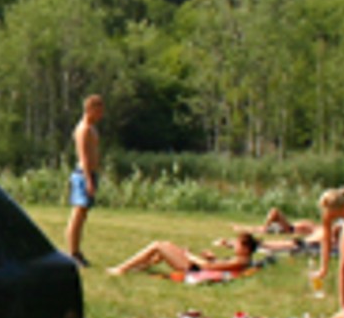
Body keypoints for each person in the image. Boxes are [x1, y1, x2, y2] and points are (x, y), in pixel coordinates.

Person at [109, 232, 259, 277]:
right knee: (165, 245)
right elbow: (215, 265)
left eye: (237, 244)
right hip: (195, 265)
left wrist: (189, 255)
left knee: (157, 246)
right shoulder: (242, 259)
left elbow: (207, 267)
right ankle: (138, 268)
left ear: (246, 249)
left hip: (192, 269)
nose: (233, 245)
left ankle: (122, 269)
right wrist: (212, 258)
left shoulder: (241, 261)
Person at [65, 95, 104, 265]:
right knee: (78, 214)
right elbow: (84, 156)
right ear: (90, 109)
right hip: (82, 175)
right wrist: (88, 180)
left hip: (90, 174)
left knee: (83, 215)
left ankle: (77, 251)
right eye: (99, 110)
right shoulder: (83, 129)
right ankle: (73, 253)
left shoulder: (92, 128)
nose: (101, 114)